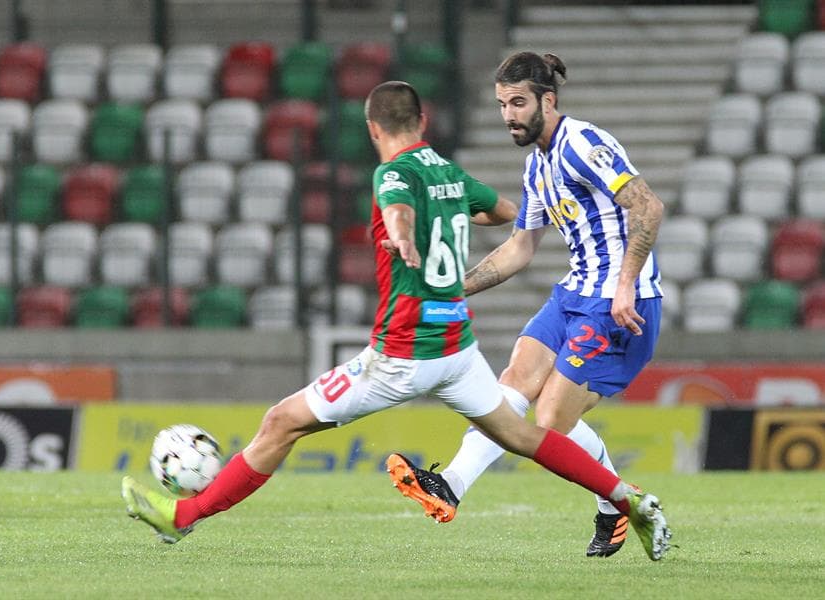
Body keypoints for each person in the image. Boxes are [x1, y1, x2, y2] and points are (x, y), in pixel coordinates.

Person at [121, 80, 671, 561]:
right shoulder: (449, 173)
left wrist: (404, 231)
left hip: (403, 355)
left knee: (281, 421)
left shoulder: (392, 174)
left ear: (371, 127)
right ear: (423, 121)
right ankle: (629, 501)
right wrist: (461, 215)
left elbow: (397, 204)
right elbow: (504, 212)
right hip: (458, 351)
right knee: (524, 433)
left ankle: (183, 517)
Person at [387, 52, 666, 559]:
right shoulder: (538, 164)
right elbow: (520, 247)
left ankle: (615, 506)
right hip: (574, 292)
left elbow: (647, 206)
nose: (509, 115)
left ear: (548, 100)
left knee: (547, 421)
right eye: (501, 105)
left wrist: (626, 283)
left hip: (621, 302)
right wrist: (450, 289)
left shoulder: (584, 143)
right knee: (512, 382)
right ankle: (449, 485)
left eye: (518, 102)